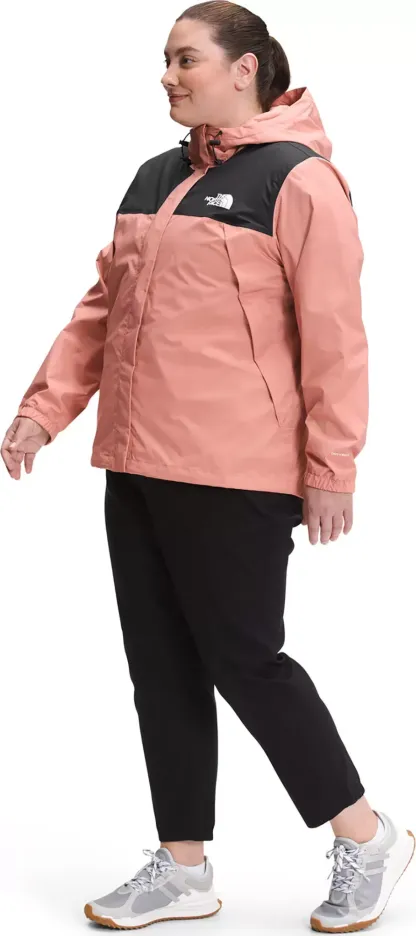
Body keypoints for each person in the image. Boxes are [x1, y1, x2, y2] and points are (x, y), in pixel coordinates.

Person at [2, 1, 414, 932]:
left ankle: (365, 833)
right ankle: (182, 866)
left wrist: (332, 465)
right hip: (136, 462)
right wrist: (43, 411)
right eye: (165, 59)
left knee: (245, 660)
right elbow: (102, 310)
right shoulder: (155, 177)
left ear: (245, 69)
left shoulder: (300, 180)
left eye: (186, 58)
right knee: (161, 667)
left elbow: (336, 336)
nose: (168, 75)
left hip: (236, 469)